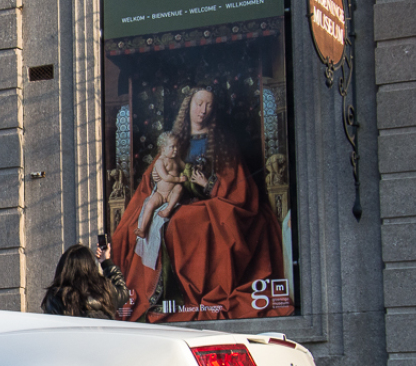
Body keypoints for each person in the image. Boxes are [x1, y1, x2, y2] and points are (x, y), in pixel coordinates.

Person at [111, 86, 289, 322]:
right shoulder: (177, 142)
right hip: (175, 202)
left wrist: (208, 183)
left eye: (209, 105)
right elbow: (153, 180)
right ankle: (164, 295)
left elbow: (237, 188)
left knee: (184, 221)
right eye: (199, 104)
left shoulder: (224, 145)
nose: (203, 110)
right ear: (188, 107)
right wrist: (157, 179)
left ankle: (184, 295)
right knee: (160, 221)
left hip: (212, 205)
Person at [41, 243, 129, 319]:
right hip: (104, 337)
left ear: (63, 269)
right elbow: (123, 293)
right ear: (91, 267)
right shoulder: (104, 290)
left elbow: (52, 331)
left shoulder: (57, 296)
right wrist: (106, 262)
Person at [135, 131, 187, 238]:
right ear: (163, 148)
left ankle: (168, 210)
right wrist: (179, 179)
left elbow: (184, 167)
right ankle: (143, 229)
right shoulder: (160, 162)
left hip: (171, 193)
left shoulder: (176, 159)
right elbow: (166, 177)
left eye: (177, 147)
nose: (176, 149)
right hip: (161, 193)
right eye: (172, 147)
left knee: (179, 188)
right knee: (149, 205)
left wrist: (181, 160)